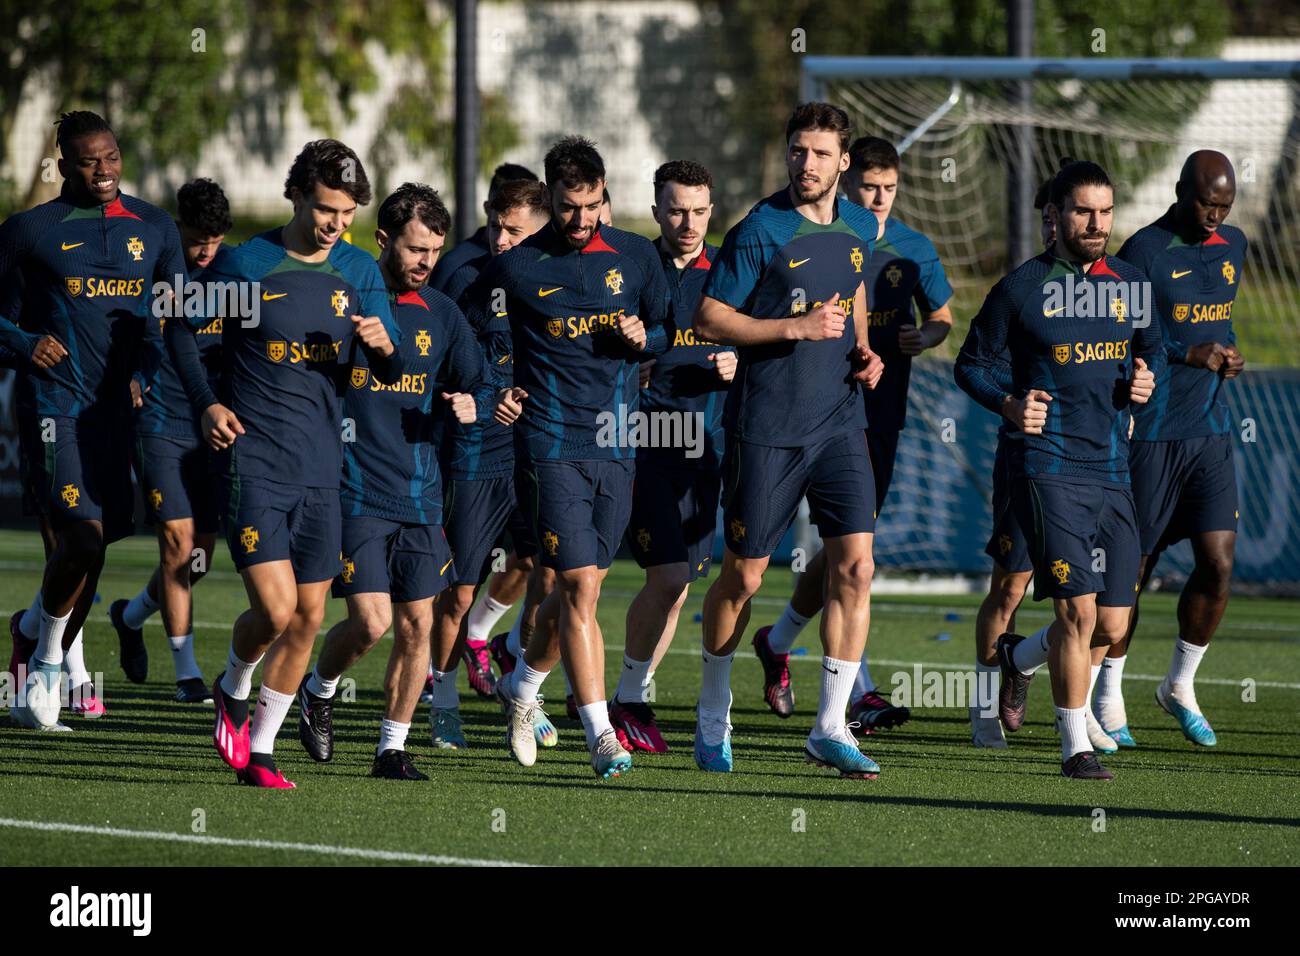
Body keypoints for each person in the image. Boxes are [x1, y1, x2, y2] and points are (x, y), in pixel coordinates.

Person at [167, 139, 402, 788]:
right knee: (273, 611)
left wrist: (381, 349)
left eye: (347, 213)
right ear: (295, 195)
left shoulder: (358, 271)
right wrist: (209, 405)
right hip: (255, 461)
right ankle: (232, 684)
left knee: (309, 617)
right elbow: (181, 331)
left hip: (324, 469)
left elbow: (389, 368)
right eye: (325, 208)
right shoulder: (248, 265)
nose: (335, 224)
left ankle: (262, 751)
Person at [690, 102, 884, 777]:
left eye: (820, 154)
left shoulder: (861, 223)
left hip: (840, 422)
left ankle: (830, 726)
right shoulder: (760, 230)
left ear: (843, 162)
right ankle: (714, 711)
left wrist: (865, 348)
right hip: (766, 428)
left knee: (855, 568)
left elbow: (855, 283)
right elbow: (709, 317)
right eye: (798, 151)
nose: (806, 164)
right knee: (741, 579)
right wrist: (792, 330)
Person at [954, 160, 1164, 779]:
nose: (1097, 223)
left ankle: (1018, 659)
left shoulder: (1131, 284)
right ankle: (1062, 739)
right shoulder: (1020, 289)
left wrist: (1145, 382)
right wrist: (1010, 404)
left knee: (1113, 621)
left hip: (1112, 469)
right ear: (1054, 216)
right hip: (1040, 467)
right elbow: (972, 364)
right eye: (1083, 211)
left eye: (1105, 211)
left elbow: (1150, 357)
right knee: (1028, 591)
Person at [482, 135, 669, 778]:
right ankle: (601, 736)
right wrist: (500, 388)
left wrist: (649, 337)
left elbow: (669, 327)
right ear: (550, 197)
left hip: (618, 443)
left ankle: (523, 687)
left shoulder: (638, 257)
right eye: (568, 207)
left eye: (592, 205)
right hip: (550, 442)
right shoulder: (517, 267)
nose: (582, 219)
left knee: (580, 594)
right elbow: (493, 345)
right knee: (578, 584)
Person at [752, 135, 952, 734]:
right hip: (808, 409)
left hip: (879, 412)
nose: (880, 199)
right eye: (870, 187)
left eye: (890, 189)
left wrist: (928, 337)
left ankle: (782, 641)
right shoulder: (820, 233)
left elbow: (942, 317)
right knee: (829, 559)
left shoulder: (912, 247)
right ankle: (852, 694)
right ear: (849, 180)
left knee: (848, 555)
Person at [296, 183, 492, 779]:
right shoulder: (342, 300)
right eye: (414, 249)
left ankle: (391, 749)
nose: (426, 262)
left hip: (420, 494)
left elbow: (480, 383)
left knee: (418, 625)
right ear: (382, 241)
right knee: (372, 622)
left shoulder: (445, 315)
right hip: (353, 490)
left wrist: (472, 406)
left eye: (434, 250)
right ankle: (318, 687)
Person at [1, 111, 187, 730]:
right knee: (78, 535)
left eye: (110, 156)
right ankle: (48, 662)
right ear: (63, 165)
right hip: (53, 405)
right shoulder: (30, 231)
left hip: (116, 412)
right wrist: (24, 342)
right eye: (87, 160)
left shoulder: (158, 229)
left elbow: (173, 324)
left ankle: (29, 631)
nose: (102, 170)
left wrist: (145, 374)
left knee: (98, 545)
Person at [1097, 150, 1247, 749]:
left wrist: (1229, 354)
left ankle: (1179, 685)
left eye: (1225, 206)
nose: (1216, 215)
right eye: (1207, 202)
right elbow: (1119, 340)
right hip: (1151, 435)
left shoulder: (1234, 244)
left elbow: (1222, 325)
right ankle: (1107, 695)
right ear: (1181, 191)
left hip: (1209, 431)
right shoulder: (1142, 253)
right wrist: (1188, 355)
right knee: (1132, 572)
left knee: (1219, 563)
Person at [609, 159, 732, 754]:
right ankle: (611, 699)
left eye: (699, 211)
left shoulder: (729, 271)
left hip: (701, 447)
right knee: (659, 576)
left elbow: (752, 340)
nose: (688, 222)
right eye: (677, 210)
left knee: (679, 588)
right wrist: (634, 358)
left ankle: (632, 694)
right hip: (639, 442)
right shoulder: (632, 266)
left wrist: (738, 364)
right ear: (656, 210)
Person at [110, 178, 233, 704]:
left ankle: (130, 614)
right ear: (178, 225)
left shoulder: (235, 275)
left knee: (201, 555)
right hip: (162, 419)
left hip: (216, 428)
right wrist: (136, 373)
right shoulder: (153, 270)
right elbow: (124, 335)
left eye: (215, 239)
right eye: (199, 238)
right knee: (178, 545)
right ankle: (186, 675)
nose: (206, 249)